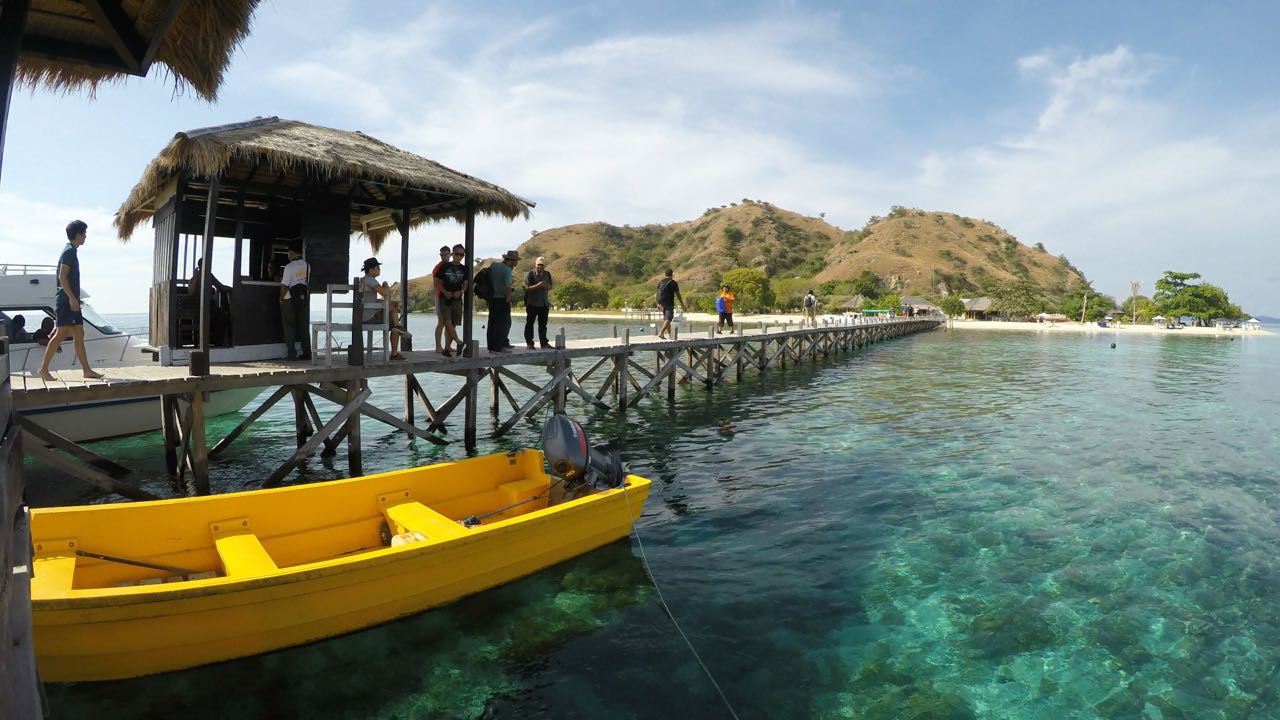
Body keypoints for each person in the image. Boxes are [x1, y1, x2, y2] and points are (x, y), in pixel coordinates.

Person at [37, 220, 103, 380]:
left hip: (70, 300)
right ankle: (43, 369)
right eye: (84, 234)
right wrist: (72, 298)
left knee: (79, 332)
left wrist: (75, 299)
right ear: (78, 234)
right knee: (61, 334)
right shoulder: (68, 252)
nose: (85, 237)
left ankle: (87, 370)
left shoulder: (72, 251)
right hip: (66, 300)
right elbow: (62, 276)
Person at [359, 257, 406, 361]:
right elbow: (385, 294)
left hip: (364, 316)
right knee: (394, 315)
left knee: (393, 315)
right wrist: (385, 285)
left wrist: (394, 302)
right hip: (369, 318)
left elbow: (374, 301)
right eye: (377, 267)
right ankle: (394, 350)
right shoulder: (371, 280)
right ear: (371, 270)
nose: (379, 269)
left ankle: (397, 329)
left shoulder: (363, 281)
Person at [433, 244, 468, 357]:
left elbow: (466, 284)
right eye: (457, 254)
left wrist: (461, 291)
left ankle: (447, 348)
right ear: (452, 254)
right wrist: (444, 292)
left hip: (457, 299)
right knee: (446, 322)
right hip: (444, 299)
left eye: (462, 255)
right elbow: (436, 282)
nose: (459, 257)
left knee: (453, 324)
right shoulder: (444, 266)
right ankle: (459, 342)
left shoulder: (464, 269)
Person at [278, 243, 311, 360]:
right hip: (303, 298)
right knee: (304, 326)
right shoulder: (307, 266)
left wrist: (281, 298)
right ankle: (307, 352)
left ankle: (292, 354)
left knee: (289, 326)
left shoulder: (289, 267)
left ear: (292, 252)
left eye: (288, 252)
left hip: (289, 299)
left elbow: (285, 285)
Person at [486, 250, 519, 353]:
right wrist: (509, 298)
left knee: (492, 323)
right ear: (512, 261)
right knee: (503, 324)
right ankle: (500, 347)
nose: (516, 263)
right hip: (501, 299)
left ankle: (492, 346)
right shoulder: (507, 270)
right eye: (516, 261)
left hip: (492, 298)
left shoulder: (494, 265)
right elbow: (507, 287)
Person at [523, 256, 554, 349]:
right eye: (538, 265)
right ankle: (529, 343)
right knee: (529, 324)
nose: (540, 267)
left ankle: (544, 343)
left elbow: (550, 286)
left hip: (544, 303)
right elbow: (526, 288)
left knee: (543, 325)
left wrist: (546, 286)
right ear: (535, 264)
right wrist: (539, 285)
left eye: (541, 265)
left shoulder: (547, 274)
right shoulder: (530, 274)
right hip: (532, 303)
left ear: (544, 266)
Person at [429, 245, 450, 353]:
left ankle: (447, 345)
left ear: (449, 254)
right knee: (441, 322)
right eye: (442, 254)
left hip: (449, 297)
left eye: (446, 254)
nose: (443, 256)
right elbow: (435, 283)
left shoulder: (450, 266)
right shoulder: (438, 267)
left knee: (449, 323)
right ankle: (438, 346)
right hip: (440, 296)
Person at [655, 268, 685, 340]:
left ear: (665, 274)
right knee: (668, 318)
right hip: (668, 302)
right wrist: (681, 303)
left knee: (666, 318)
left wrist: (658, 304)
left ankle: (671, 335)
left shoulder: (661, 282)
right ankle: (661, 333)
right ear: (672, 274)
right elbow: (678, 294)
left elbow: (658, 293)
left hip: (661, 301)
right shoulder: (673, 282)